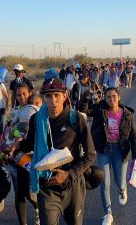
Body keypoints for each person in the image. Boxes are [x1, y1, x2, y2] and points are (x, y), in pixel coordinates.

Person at [18, 78, 96, 225]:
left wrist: (69, 174)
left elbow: (90, 154)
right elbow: (29, 145)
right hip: (47, 188)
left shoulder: (75, 119)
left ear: (65, 95)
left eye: (57, 95)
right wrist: (16, 145)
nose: (53, 101)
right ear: (43, 98)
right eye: (48, 96)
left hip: (72, 187)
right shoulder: (36, 119)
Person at [79, 87, 136, 225]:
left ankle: (122, 190)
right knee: (104, 184)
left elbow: (134, 135)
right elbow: (85, 110)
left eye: (113, 96)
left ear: (118, 97)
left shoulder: (127, 114)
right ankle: (108, 213)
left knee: (120, 181)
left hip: (120, 150)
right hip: (104, 150)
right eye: (108, 97)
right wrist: (86, 98)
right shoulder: (100, 110)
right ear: (105, 99)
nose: (111, 99)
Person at [2, 83, 41, 225]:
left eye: (24, 94)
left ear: (30, 93)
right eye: (18, 95)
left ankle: (38, 209)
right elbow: (7, 132)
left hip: (31, 155)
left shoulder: (36, 110)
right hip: (16, 155)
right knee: (19, 191)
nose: (22, 97)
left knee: (31, 191)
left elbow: (28, 132)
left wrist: (16, 132)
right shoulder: (13, 112)